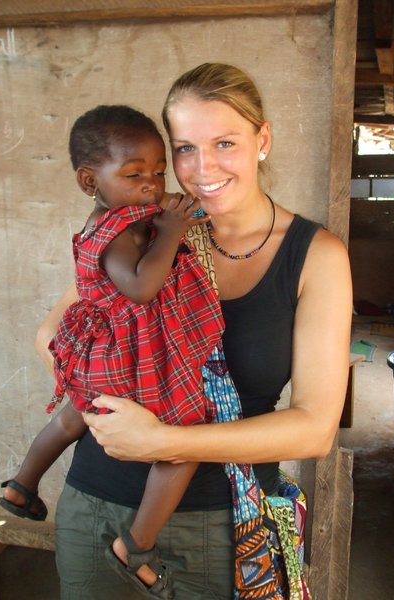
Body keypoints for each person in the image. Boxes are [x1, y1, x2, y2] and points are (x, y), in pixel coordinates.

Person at [35, 63, 353, 599]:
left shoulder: (314, 255)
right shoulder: (145, 229)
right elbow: (51, 336)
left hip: (223, 525)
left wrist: (163, 439)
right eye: (185, 148)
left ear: (262, 140)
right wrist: (109, 403)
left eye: (225, 142)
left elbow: (314, 429)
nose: (203, 168)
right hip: (98, 507)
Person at [0, 104, 224, 599]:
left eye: (159, 172)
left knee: (72, 418)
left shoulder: (120, 213)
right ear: (89, 180)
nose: (151, 185)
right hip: (129, 356)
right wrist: (171, 232)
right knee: (184, 445)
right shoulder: (116, 230)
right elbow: (141, 288)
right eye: (134, 174)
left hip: (101, 355)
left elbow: (156, 213)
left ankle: (21, 485)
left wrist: (166, 215)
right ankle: (136, 545)